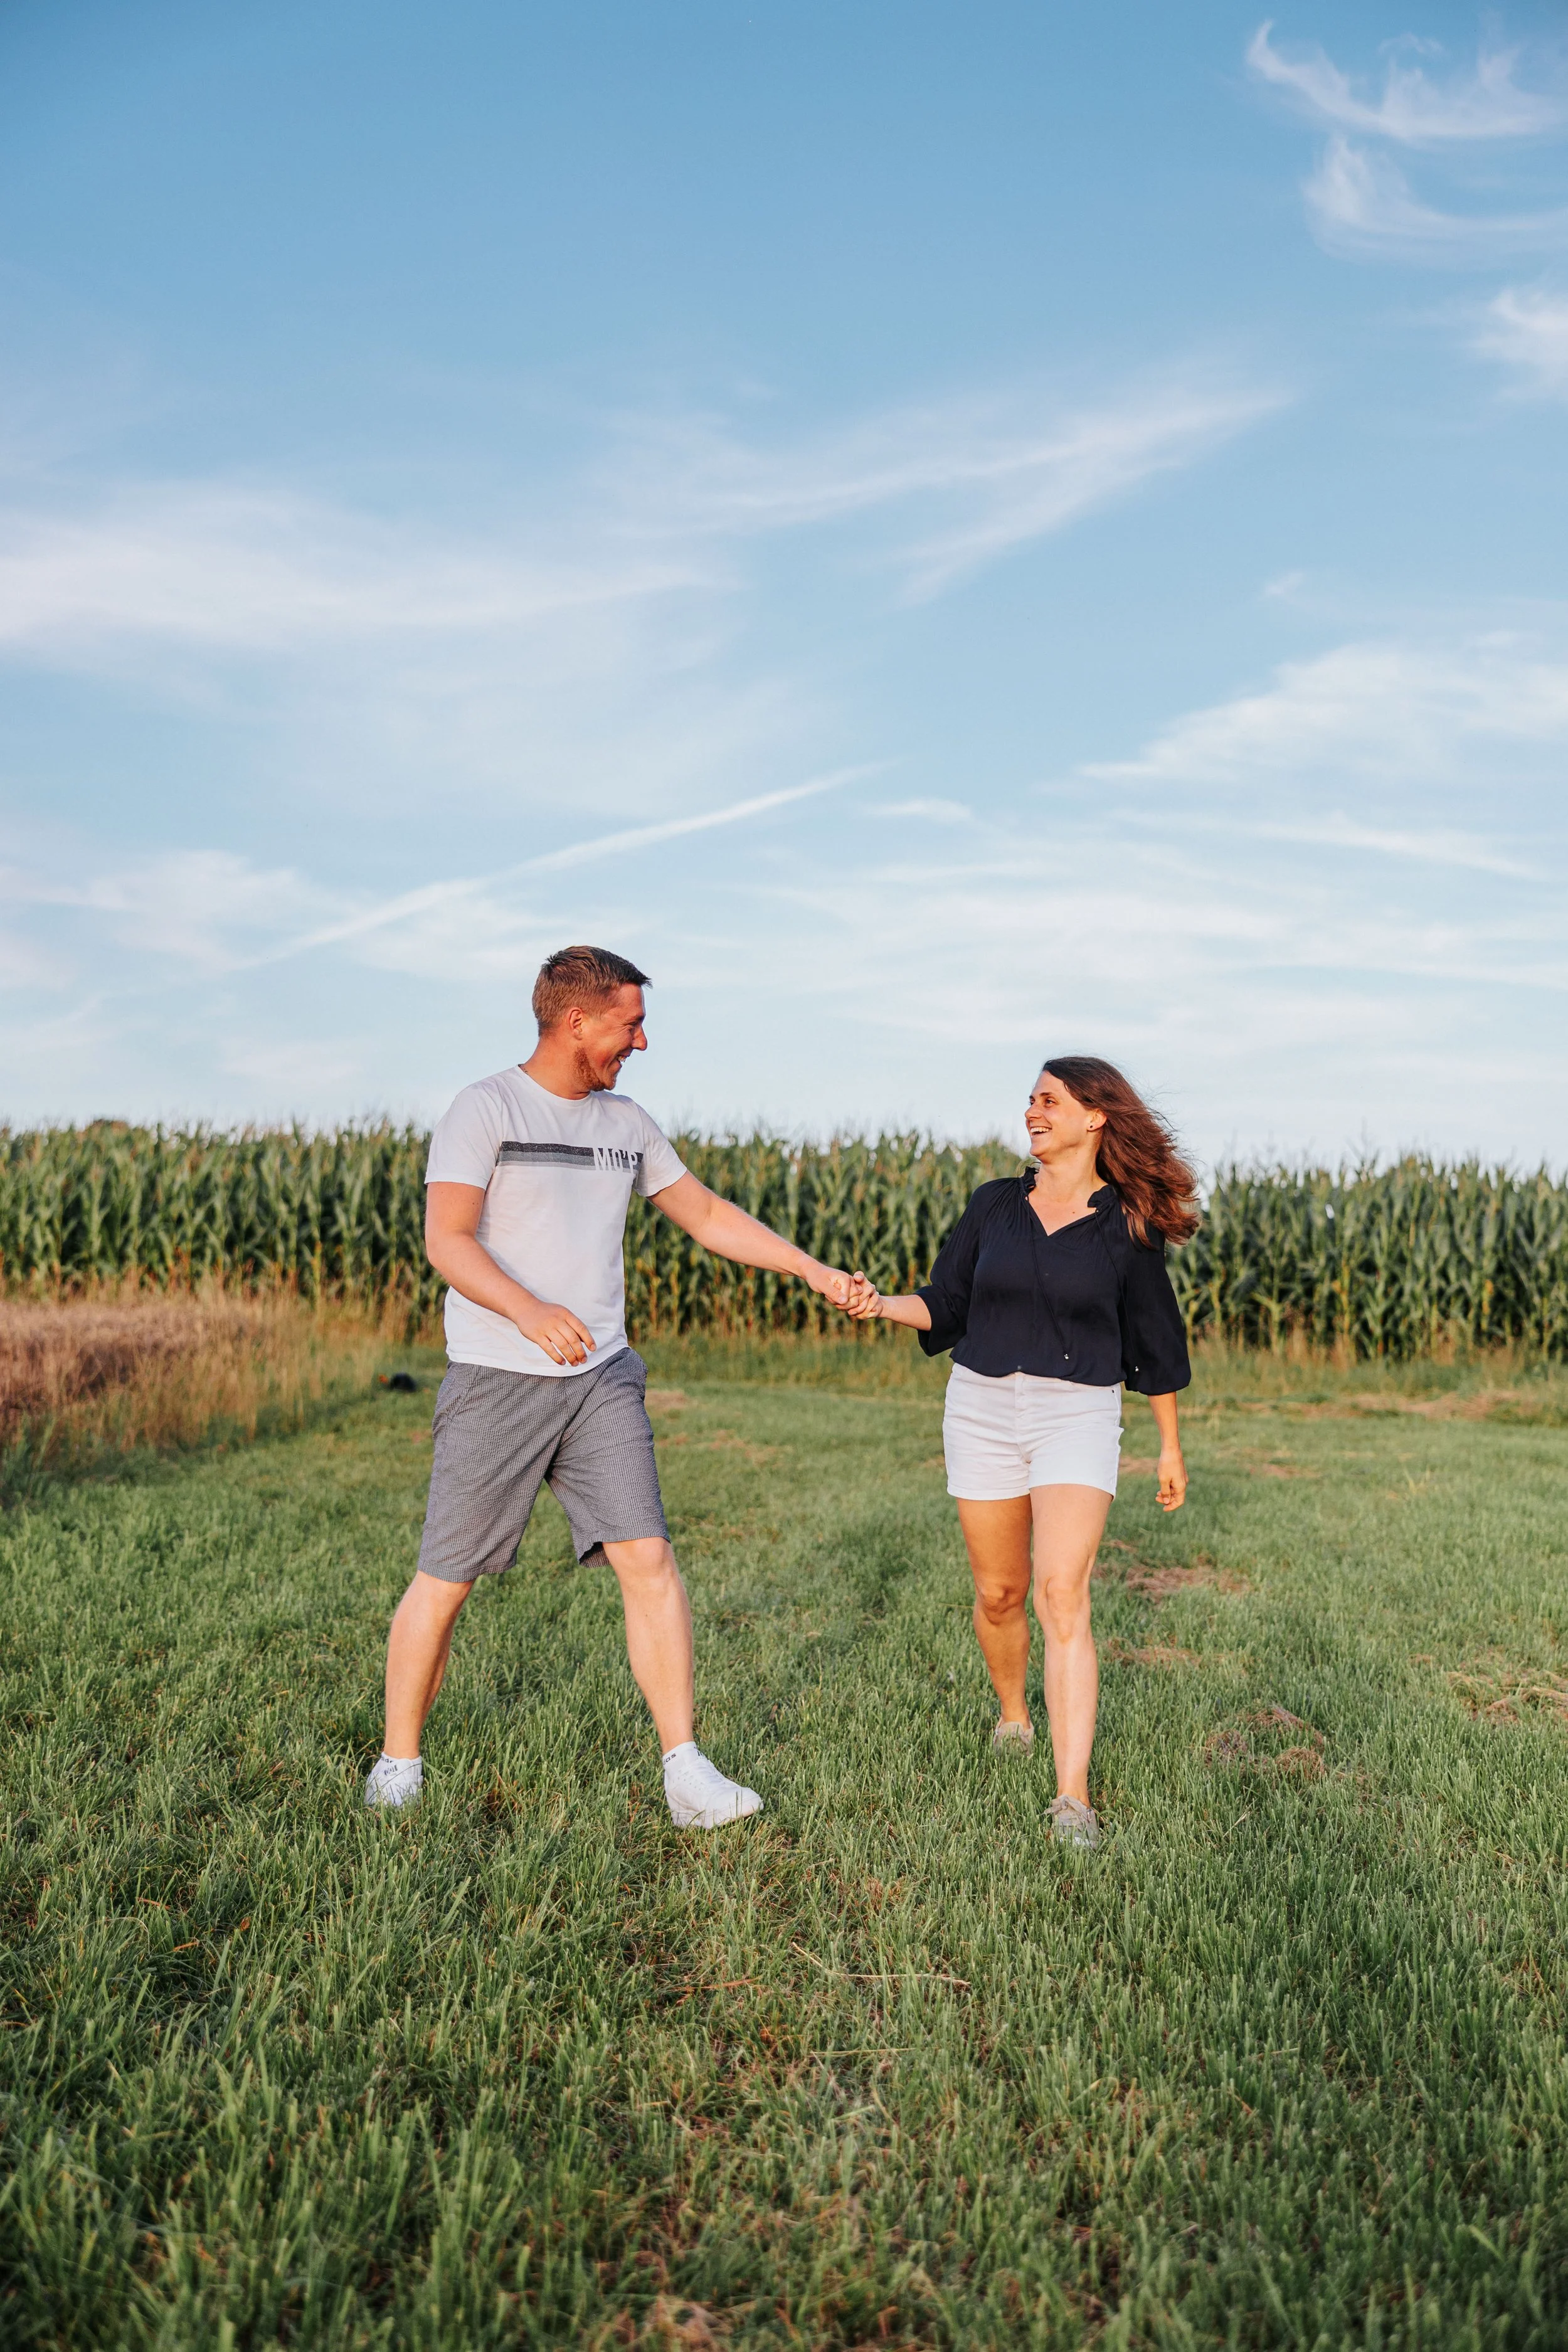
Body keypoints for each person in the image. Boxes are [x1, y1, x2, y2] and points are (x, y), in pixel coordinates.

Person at [366, 945, 853, 1829]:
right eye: (630, 1022)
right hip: (497, 1375)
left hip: (602, 1379)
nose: (640, 1039)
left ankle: (686, 1771)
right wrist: (527, 1308)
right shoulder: (485, 1108)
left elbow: (704, 1213)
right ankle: (399, 1762)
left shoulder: (627, 1122)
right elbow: (448, 1238)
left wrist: (809, 1268)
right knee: (445, 1578)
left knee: (649, 1559)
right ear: (577, 1019)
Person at [845, 1057, 1196, 1848]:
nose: (1032, 1109)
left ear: (1094, 1117)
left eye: (1050, 1099)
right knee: (1000, 1593)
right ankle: (1013, 1713)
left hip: (1077, 1413)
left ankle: (1072, 1798)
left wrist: (1169, 1446)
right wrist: (878, 1304)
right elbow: (946, 1303)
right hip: (980, 1408)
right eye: (1031, 1098)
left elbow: (1155, 1340)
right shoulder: (994, 1206)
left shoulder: (1128, 1225)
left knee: (1059, 1593)